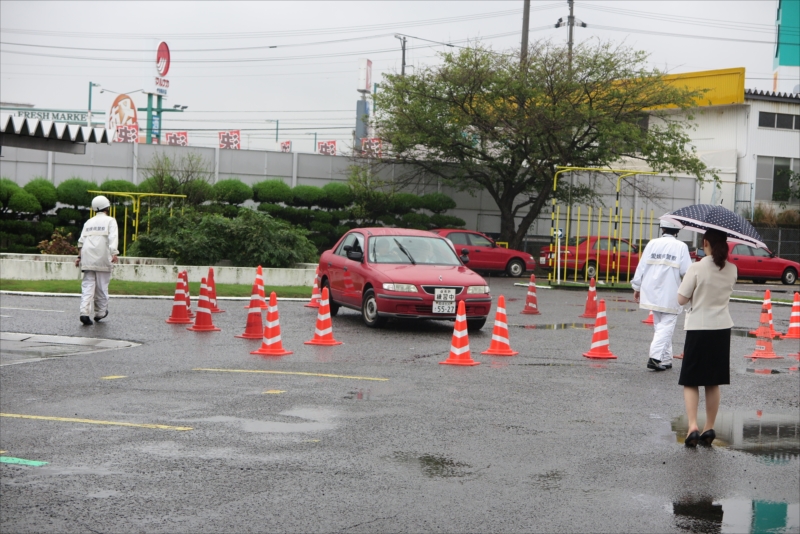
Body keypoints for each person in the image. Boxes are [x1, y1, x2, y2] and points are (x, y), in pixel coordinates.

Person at [676, 229, 737, 447]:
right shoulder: (732, 269)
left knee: (691, 380)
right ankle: (709, 426)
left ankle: (692, 426)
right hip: (721, 330)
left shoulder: (697, 267)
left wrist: (694, 292)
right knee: (713, 381)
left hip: (698, 328)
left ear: (705, 243)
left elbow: (681, 299)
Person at [631, 218, 692, 371]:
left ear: (662, 228)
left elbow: (641, 267)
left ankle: (665, 359)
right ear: (677, 231)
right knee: (667, 325)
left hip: (651, 291)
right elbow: (687, 272)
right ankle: (655, 357)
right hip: (670, 293)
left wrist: (636, 287)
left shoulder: (652, 244)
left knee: (660, 325)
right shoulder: (681, 247)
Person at [74, 195, 119, 325]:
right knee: (101, 286)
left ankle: (84, 312)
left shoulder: (88, 222)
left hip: (87, 258)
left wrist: (79, 257)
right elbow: (113, 238)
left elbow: (81, 241)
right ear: (107, 207)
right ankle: (100, 312)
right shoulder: (110, 220)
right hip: (102, 257)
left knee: (87, 286)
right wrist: (114, 253)